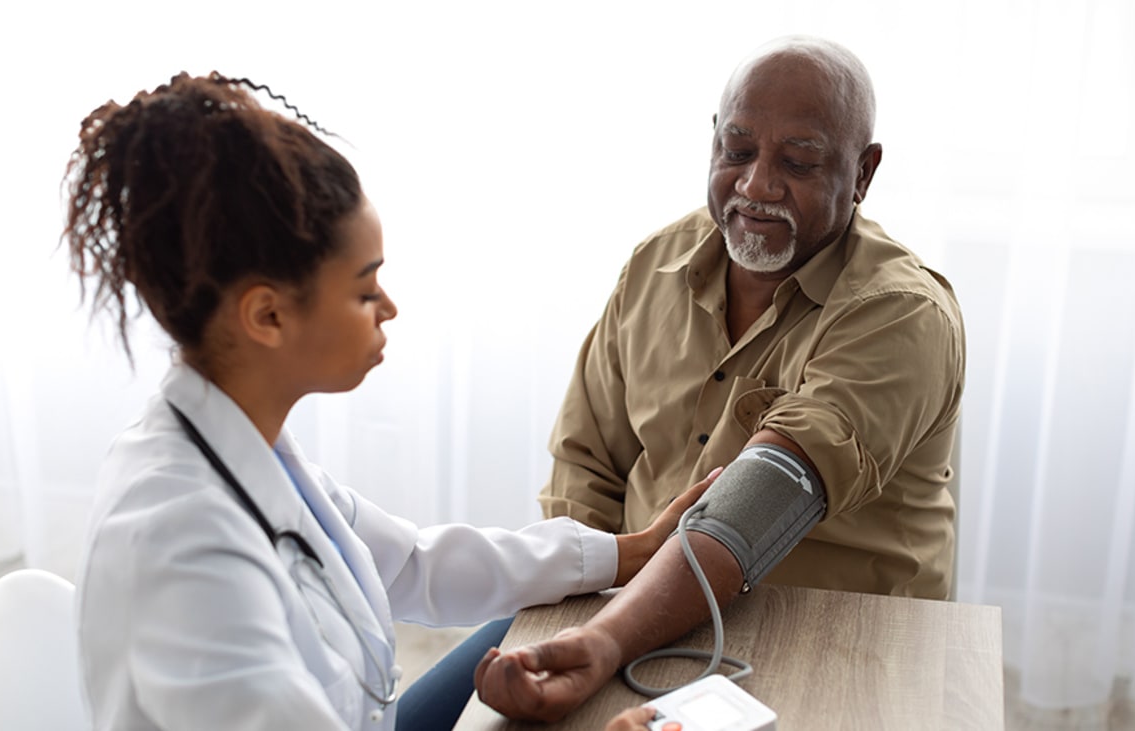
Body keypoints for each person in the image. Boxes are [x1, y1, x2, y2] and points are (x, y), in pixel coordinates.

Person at [63, 72, 719, 731]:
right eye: (363, 288)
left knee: (543, 621)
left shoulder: (242, 444)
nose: (389, 308)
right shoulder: (185, 550)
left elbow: (412, 562)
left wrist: (630, 551)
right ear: (267, 315)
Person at [477, 35, 965, 723]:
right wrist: (574, 612)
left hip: (831, 643)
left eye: (797, 160)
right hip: (621, 607)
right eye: (736, 150)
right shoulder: (657, 263)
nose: (756, 184)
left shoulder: (900, 313)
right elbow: (585, 463)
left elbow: (762, 500)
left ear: (863, 173)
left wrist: (602, 640)